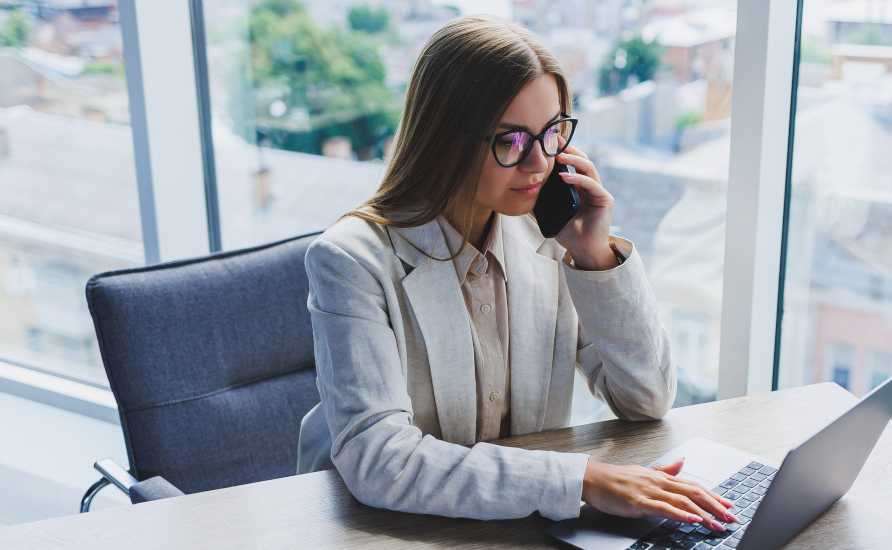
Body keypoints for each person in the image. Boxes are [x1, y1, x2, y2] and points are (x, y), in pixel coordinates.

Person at [295, 15, 735, 531]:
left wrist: (595, 258)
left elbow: (646, 398)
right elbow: (381, 460)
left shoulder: (549, 234)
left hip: (518, 527)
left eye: (551, 134)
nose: (539, 165)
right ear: (445, 140)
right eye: (511, 141)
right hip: (384, 530)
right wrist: (582, 481)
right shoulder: (351, 262)